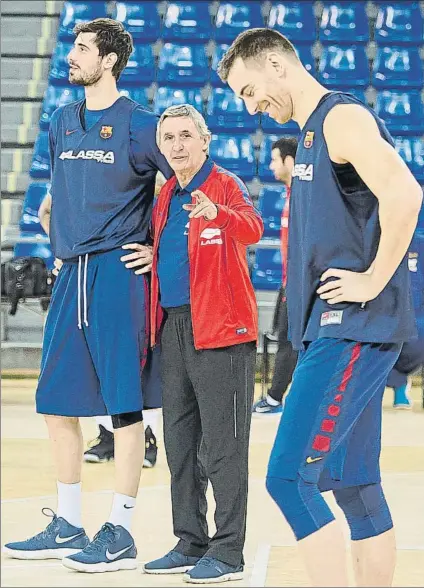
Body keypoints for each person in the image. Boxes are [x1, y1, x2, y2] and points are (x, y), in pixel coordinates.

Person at [218, 28, 422, 587]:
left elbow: (406, 194)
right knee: (353, 482)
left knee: (288, 480)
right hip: (336, 329)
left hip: (351, 328)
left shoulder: (340, 119)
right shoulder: (312, 132)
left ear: (277, 65)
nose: (250, 105)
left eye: (248, 89)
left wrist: (370, 280)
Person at [3, 19, 172, 573]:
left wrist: (159, 251)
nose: (70, 57)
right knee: (55, 404)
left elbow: (187, 189)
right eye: (72, 47)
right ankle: (69, 521)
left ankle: (121, 530)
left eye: (81, 50)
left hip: (118, 276)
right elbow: (58, 189)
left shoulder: (141, 126)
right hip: (70, 274)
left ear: (111, 61)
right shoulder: (61, 119)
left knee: (125, 409)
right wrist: (56, 220)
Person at [142, 104, 263, 584]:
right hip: (173, 328)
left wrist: (223, 213)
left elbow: (253, 228)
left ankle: (228, 550)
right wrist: (149, 255)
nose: (176, 145)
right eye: (168, 137)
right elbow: (172, 250)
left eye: (186, 135)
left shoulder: (225, 184)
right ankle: (190, 539)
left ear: (205, 141)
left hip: (221, 331)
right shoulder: (166, 194)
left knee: (224, 446)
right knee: (180, 441)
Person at [37, 190, 161, 469]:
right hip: (83, 274)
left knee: (129, 366)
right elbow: (45, 211)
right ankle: (106, 434)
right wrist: (62, 245)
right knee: (92, 363)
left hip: (126, 274)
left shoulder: (136, 165)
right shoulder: (74, 167)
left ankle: (147, 437)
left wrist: (157, 250)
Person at [252, 137, 298, 415]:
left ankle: (275, 398)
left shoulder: (304, 197)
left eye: (274, 159)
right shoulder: (291, 195)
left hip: (298, 284)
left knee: (288, 341)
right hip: (288, 281)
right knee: (285, 338)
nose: (270, 166)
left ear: (289, 162)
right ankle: (276, 397)